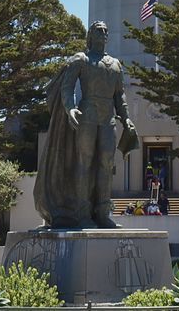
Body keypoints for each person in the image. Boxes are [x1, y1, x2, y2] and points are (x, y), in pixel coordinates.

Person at [33, 21, 138, 228]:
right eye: (99, 31)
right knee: (84, 164)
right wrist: (70, 108)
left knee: (106, 165)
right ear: (91, 35)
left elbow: (120, 96)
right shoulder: (81, 59)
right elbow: (67, 87)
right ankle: (82, 214)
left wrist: (126, 118)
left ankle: (102, 213)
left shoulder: (115, 65)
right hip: (87, 117)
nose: (104, 34)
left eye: (106, 31)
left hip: (108, 119)